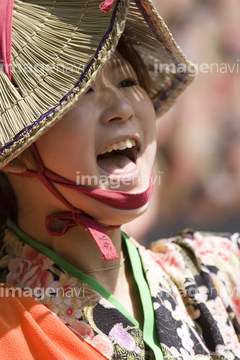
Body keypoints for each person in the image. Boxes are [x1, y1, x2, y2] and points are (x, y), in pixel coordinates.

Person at [0, 0, 240, 359]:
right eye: (82, 91)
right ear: (19, 150)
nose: (123, 108)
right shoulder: (10, 330)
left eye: (127, 81)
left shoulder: (219, 272)